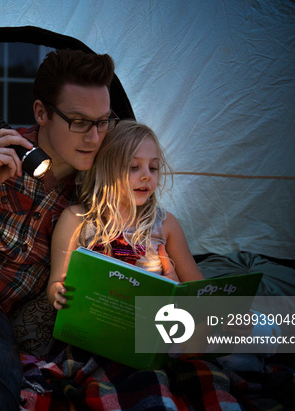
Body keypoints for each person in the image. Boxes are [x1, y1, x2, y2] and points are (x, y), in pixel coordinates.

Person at [0, 48, 119, 410]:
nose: (94, 137)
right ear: (41, 113)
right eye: (79, 121)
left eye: (103, 121)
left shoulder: (100, 187)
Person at [48, 120, 205, 310]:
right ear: (105, 170)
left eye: (153, 167)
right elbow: (55, 283)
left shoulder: (165, 224)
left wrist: (177, 292)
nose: (146, 175)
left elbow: (200, 291)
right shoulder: (76, 219)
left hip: (148, 327)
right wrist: (58, 292)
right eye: (133, 167)